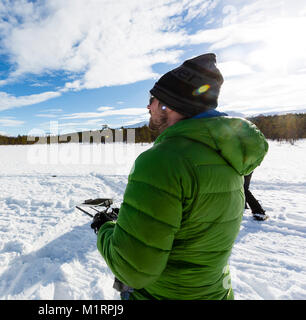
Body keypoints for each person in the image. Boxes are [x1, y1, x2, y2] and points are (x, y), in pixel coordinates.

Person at [90, 53, 268, 300]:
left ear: (168, 104)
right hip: (215, 293)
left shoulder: (162, 161)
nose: (148, 107)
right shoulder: (228, 155)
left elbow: (132, 270)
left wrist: (105, 229)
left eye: (152, 99)